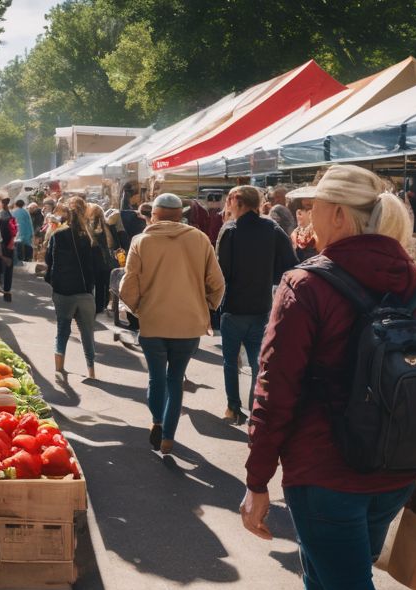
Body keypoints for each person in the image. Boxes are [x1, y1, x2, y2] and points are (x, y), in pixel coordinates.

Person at [242, 165, 416, 590]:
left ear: (338, 215)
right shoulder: (415, 285)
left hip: (325, 472)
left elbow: (274, 389)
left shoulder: (306, 284)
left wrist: (256, 481)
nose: (305, 216)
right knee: (333, 576)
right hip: (393, 468)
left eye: (313, 207)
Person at [119, 193, 225, 455]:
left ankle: (157, 420)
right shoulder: (200, 239)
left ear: (154, 215)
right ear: (181, 216)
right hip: (188, 323)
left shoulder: (141, 241)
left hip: (153, 321)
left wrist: (137, 309)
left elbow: (128, 285)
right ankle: (168, 437)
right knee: (175, 380)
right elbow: (217, 283)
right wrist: (206, 306)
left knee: (156, 377)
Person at [216, 185, 297, 425]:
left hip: (233, 307)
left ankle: (233, 407)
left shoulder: (230, 230)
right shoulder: (272, 228)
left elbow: (222, 272)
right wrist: (268, 277)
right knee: (258, 363)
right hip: (261, 306)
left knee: (230, 362)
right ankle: (255, 408)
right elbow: (290, 264)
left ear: (238, 202)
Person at [45, 198, 101, 379]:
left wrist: (53, 282)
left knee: (62, 329)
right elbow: (98, 266)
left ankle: (59, 369)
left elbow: (49, 261)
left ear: (66, 215)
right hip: (85, 292)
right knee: (87, 334)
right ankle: (91, 372)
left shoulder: (57, 235)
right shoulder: (91, 237)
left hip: (63, 291)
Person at [0, 198, 18, 302]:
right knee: (9, 268)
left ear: (1, 203)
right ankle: (7, 291)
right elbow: (14, 232)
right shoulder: (11, 216)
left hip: (0, 243)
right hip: (9, 244)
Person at [288, 187, 319, 261]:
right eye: (309, 206)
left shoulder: (320, 231)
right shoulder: (295, 234)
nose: (313, 209)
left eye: (315, 206)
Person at [11, 199, 34, 265]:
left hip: (17, 231)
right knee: (27, 245)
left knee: (18, 245)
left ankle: (19, 259)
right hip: (26, 231)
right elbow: (30, 223)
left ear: (16, 204)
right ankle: (28, 259)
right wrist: (32, 232)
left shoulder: (14, 212)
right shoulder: (26, 212)